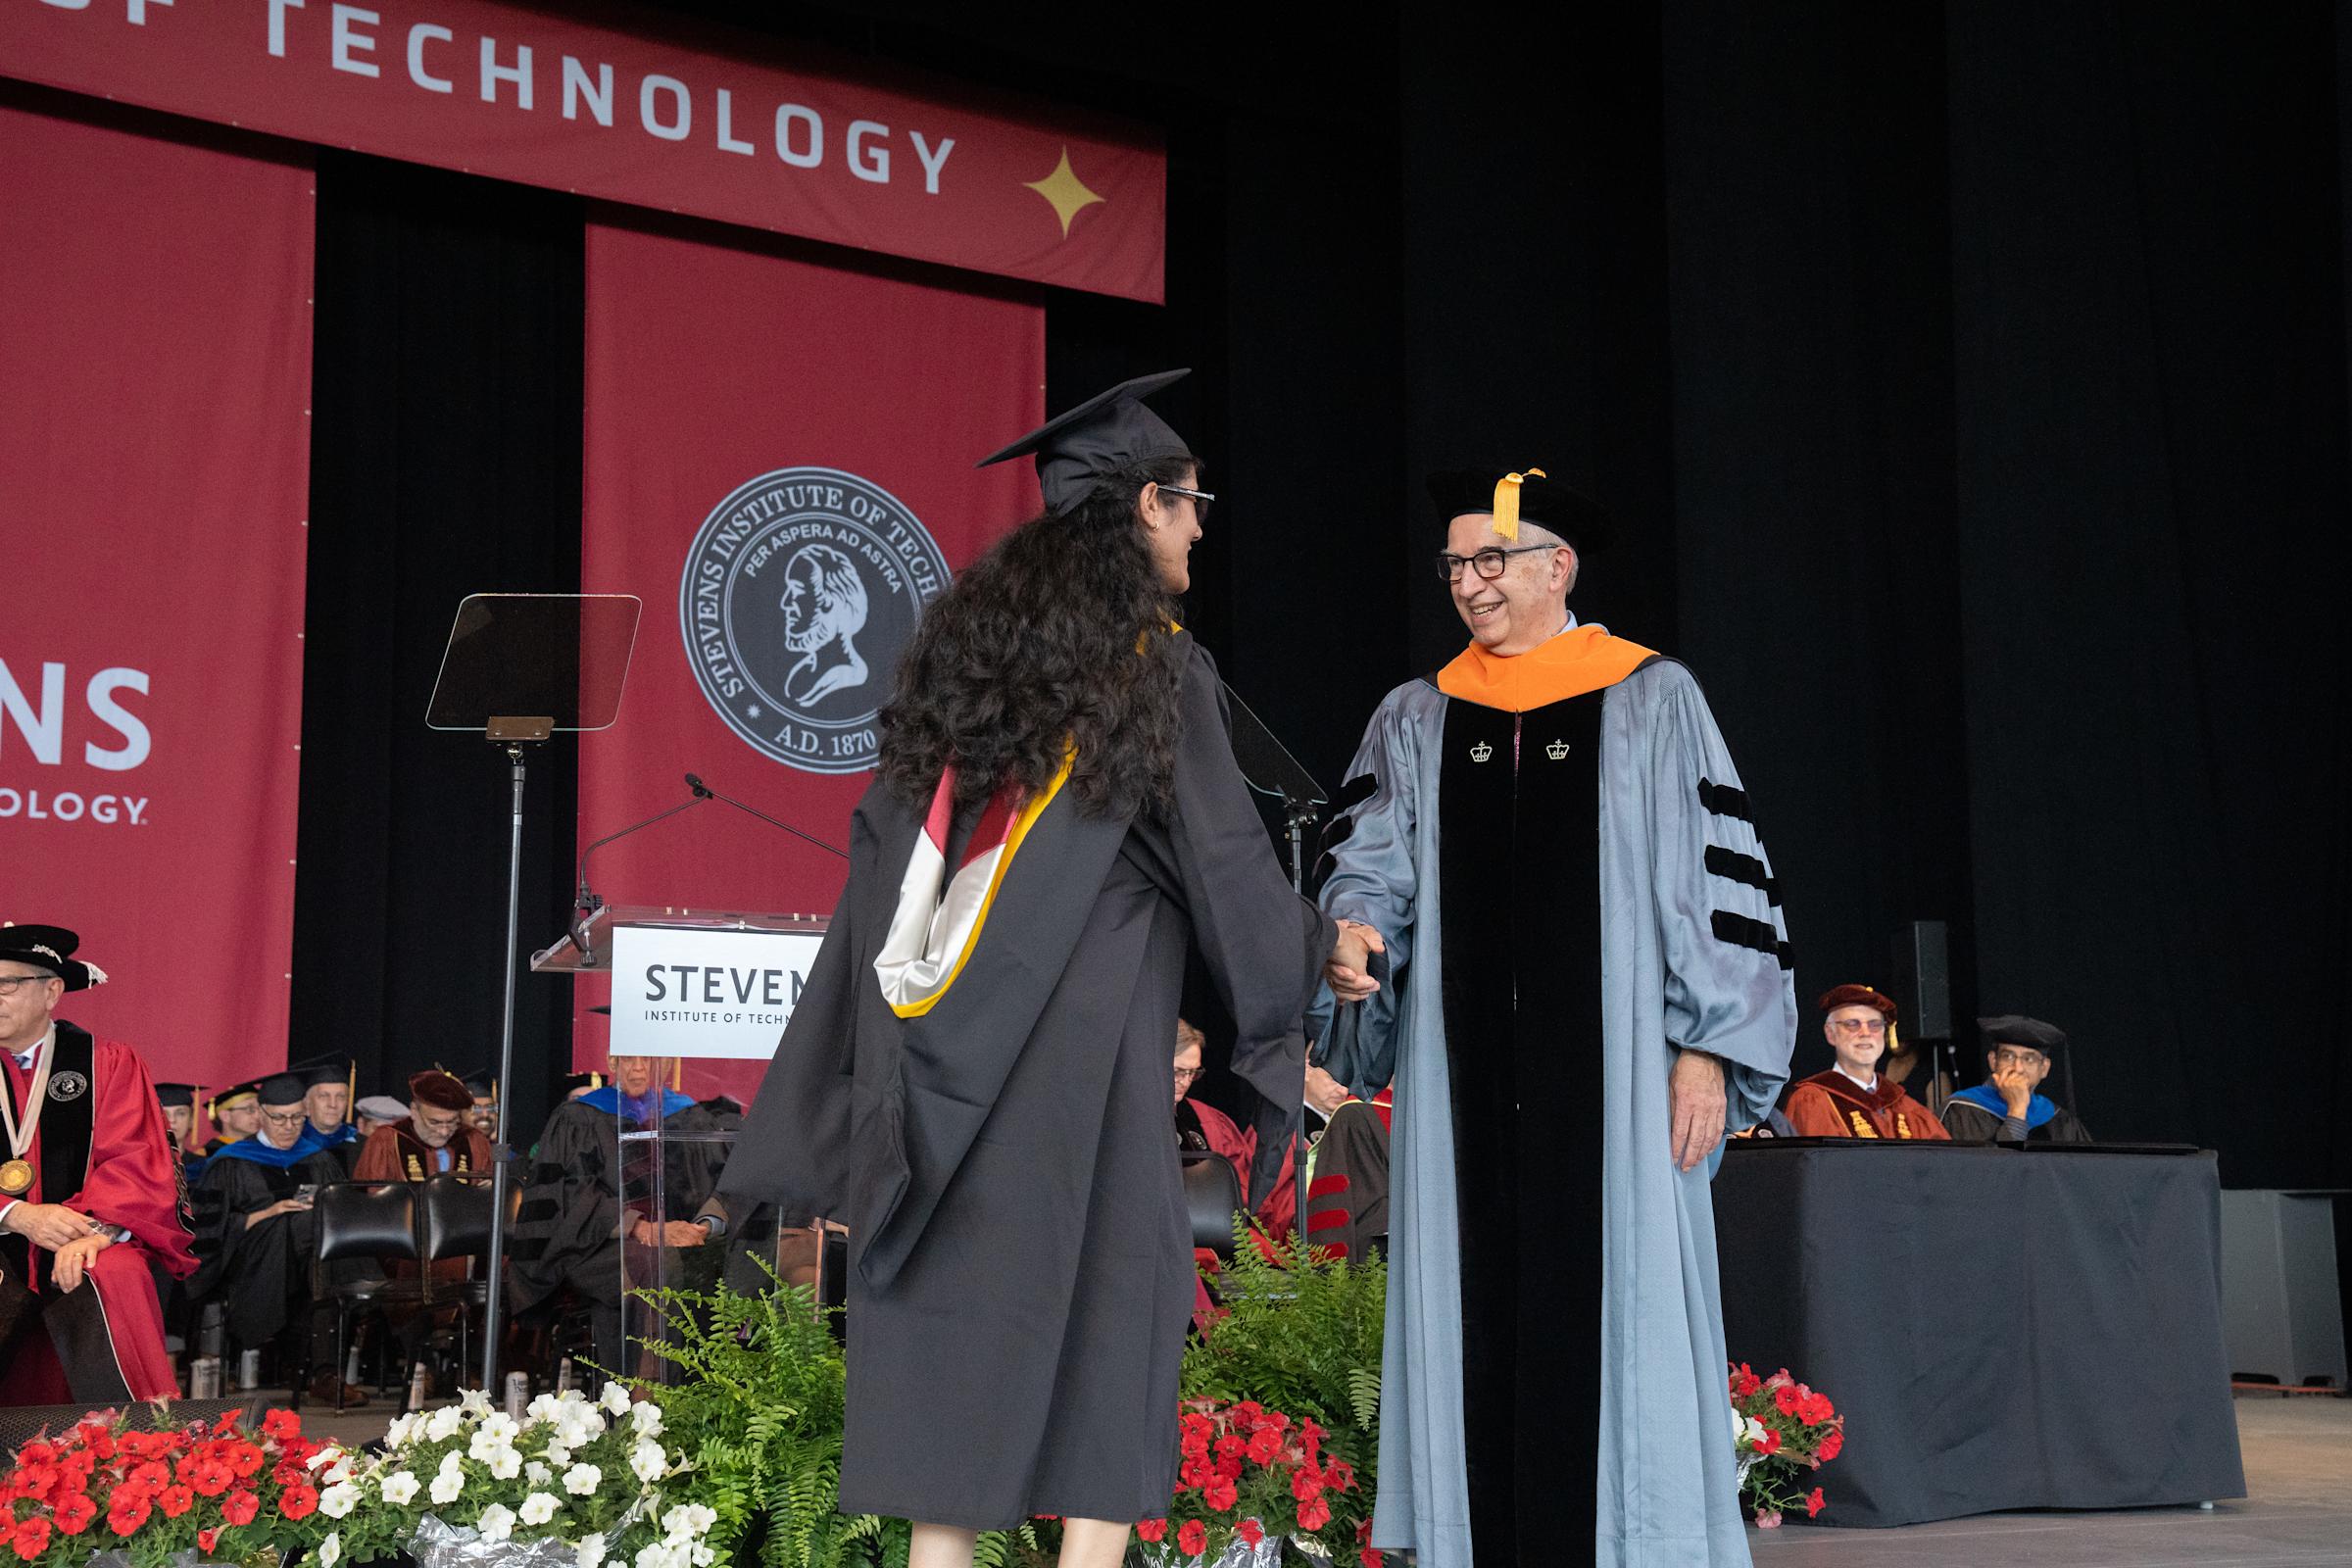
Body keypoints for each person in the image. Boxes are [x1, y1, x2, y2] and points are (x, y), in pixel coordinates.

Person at [716, 369, 1365, 1568]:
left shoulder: (967, 659)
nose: (1201, 526)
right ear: (1142, 508)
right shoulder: (1157, 667)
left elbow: (886, 854)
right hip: (1086, 1054)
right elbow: (1222, 858)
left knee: (955, 1309)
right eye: (1190, 503)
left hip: (939, 1052)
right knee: (1117, 1295)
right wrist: (1321, 947)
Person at [1315, 467, 1794, 1567]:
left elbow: (1715, 881)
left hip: (1622, 1080)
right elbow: (1369, 865)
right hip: (1462, 1083)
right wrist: (1352, 932)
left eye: (1490, 561)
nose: (1469, 586)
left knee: (1615, 1297)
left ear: (1556, 566)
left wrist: (1707, 1049)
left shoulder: (1651, 696)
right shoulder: (1417, 714)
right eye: (1455, 567)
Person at [0, 924, 199, 1404]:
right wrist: (17, 1214)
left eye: (4, 986)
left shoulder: (106, 1062)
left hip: (81, 1231)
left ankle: (130, 1450)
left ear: (51, 991)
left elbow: (136, 1160)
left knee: (110, 1271)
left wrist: (95, 1231)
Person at [507, 1054, 724, 1376]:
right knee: (654, 1265)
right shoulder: (580, 1116)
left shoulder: (689, 1116)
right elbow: (569, 1194)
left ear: (665, 1065)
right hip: (595, 1243)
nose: (638, 1067)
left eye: (648, 1059)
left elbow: (714, 1183)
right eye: (628, 1059)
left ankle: (707, 1395)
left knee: (713, 1264)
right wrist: (640, 1228)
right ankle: (644, 1395)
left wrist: (704, 1225)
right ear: (611, 1062)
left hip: (676, 1238)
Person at [185, 1071, 356, 1401]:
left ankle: (322, 1372)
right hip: (251, 1261)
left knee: (321, 1240)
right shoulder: (230, 1162)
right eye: (279, 1118)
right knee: (313, 1241)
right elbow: (210, 1229)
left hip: (308, 1261)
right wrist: (269, 1213)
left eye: (297, 1117)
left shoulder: (318, 1158)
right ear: (260, 1115)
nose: (289, 1126)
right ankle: (320, 1372)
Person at [1783, 984, 1951, 1141]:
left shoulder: (1906, 1107)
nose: (1865, 1033)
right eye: (1852, 1024)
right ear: (1830, 1033)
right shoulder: (1812, 1101)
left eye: (1875, 1024)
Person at [1941, 1015, 2093, 1143]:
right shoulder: (1962, 1110)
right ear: (1993, 1061)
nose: (2018, 1068)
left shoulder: (2060, 1120)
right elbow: (1990, 1172)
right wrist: (2017, 1111)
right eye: (2008, 1056)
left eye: (2029, 1059)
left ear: (2044, 1068)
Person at [353, 1070, 494, 1183]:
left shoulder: (474, 1140)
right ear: (414, 1111)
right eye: (434, 1122)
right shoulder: (386, 1141)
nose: (444, 1132)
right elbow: (370, 1200)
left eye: (452, 1122)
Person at [295, 1056, 361, 1171]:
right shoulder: (290, 1144)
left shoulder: (364, 1147)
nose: (333, 1104)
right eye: (324, 1096)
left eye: (341, 1097)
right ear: (306, 1104)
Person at [202, 1080, 263, 1154]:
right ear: (225, 1116)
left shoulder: (264, 1152)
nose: (258, 1116)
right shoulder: (208, 1155)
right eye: (250, 1109)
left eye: (260, 1110)